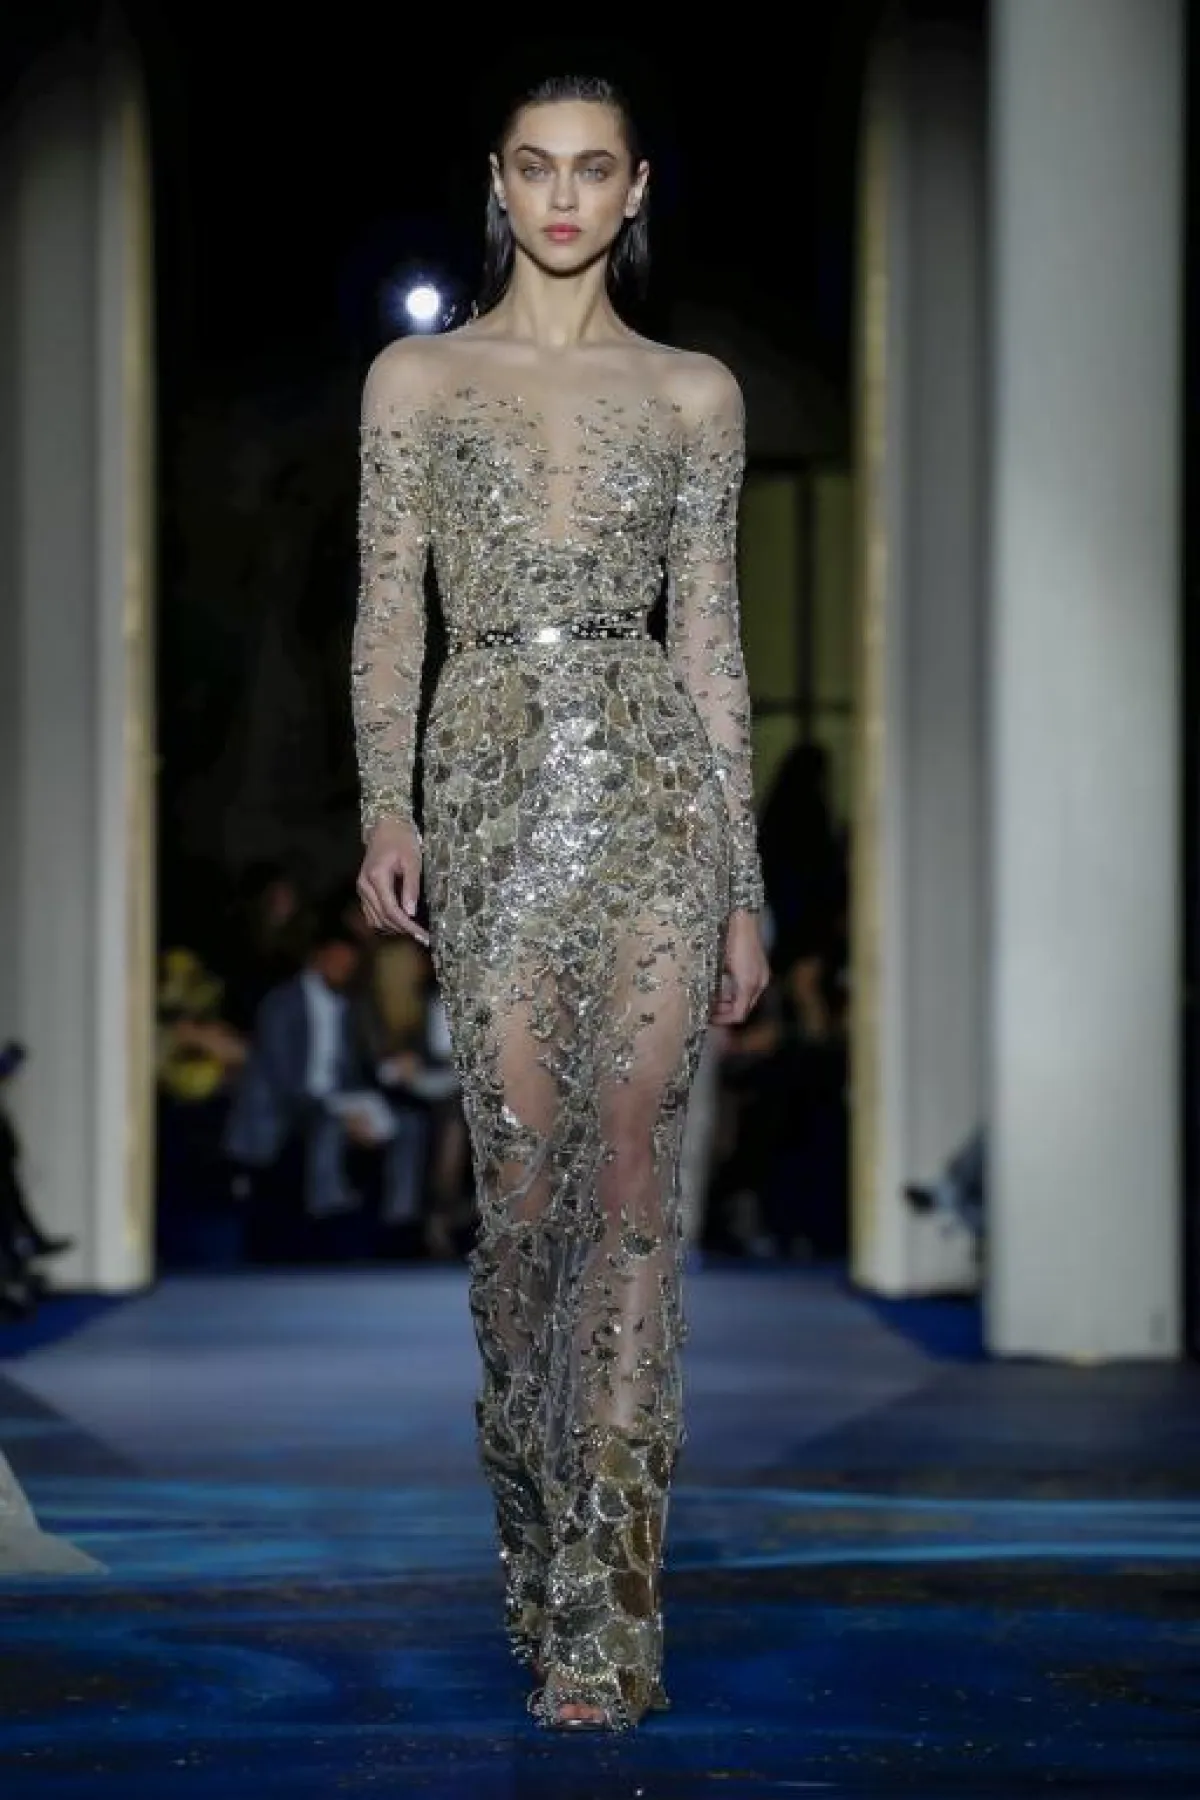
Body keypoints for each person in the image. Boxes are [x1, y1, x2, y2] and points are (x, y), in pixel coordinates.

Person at [350, 73, 769, 1730]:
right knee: (523, 1190)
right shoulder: (419, 379)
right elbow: (390, 609)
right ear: (500, 183)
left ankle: (612, 1598)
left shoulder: (693, 394)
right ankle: (535, 1539)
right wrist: (387, 803)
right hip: (491, 772)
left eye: (595, 169)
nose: (567, 196)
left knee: (633, 1176)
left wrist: (742, 887)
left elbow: (712, 642)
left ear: (637, 187)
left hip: (654, 780)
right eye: (539, 168)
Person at [221, 916, 395, 1262]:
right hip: (283, 1104)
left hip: (331, 1097)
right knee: (329, 1127)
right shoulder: (282, 1003)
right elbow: (284, 1078)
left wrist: (365, 1102)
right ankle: (328, 1212)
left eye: (348, 965)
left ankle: (395, 1224)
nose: (343, 970)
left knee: (400, 1124)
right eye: (337, 961)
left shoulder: (347, 1006)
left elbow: (350, 1069)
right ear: (319, 958)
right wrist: (338, 1114)